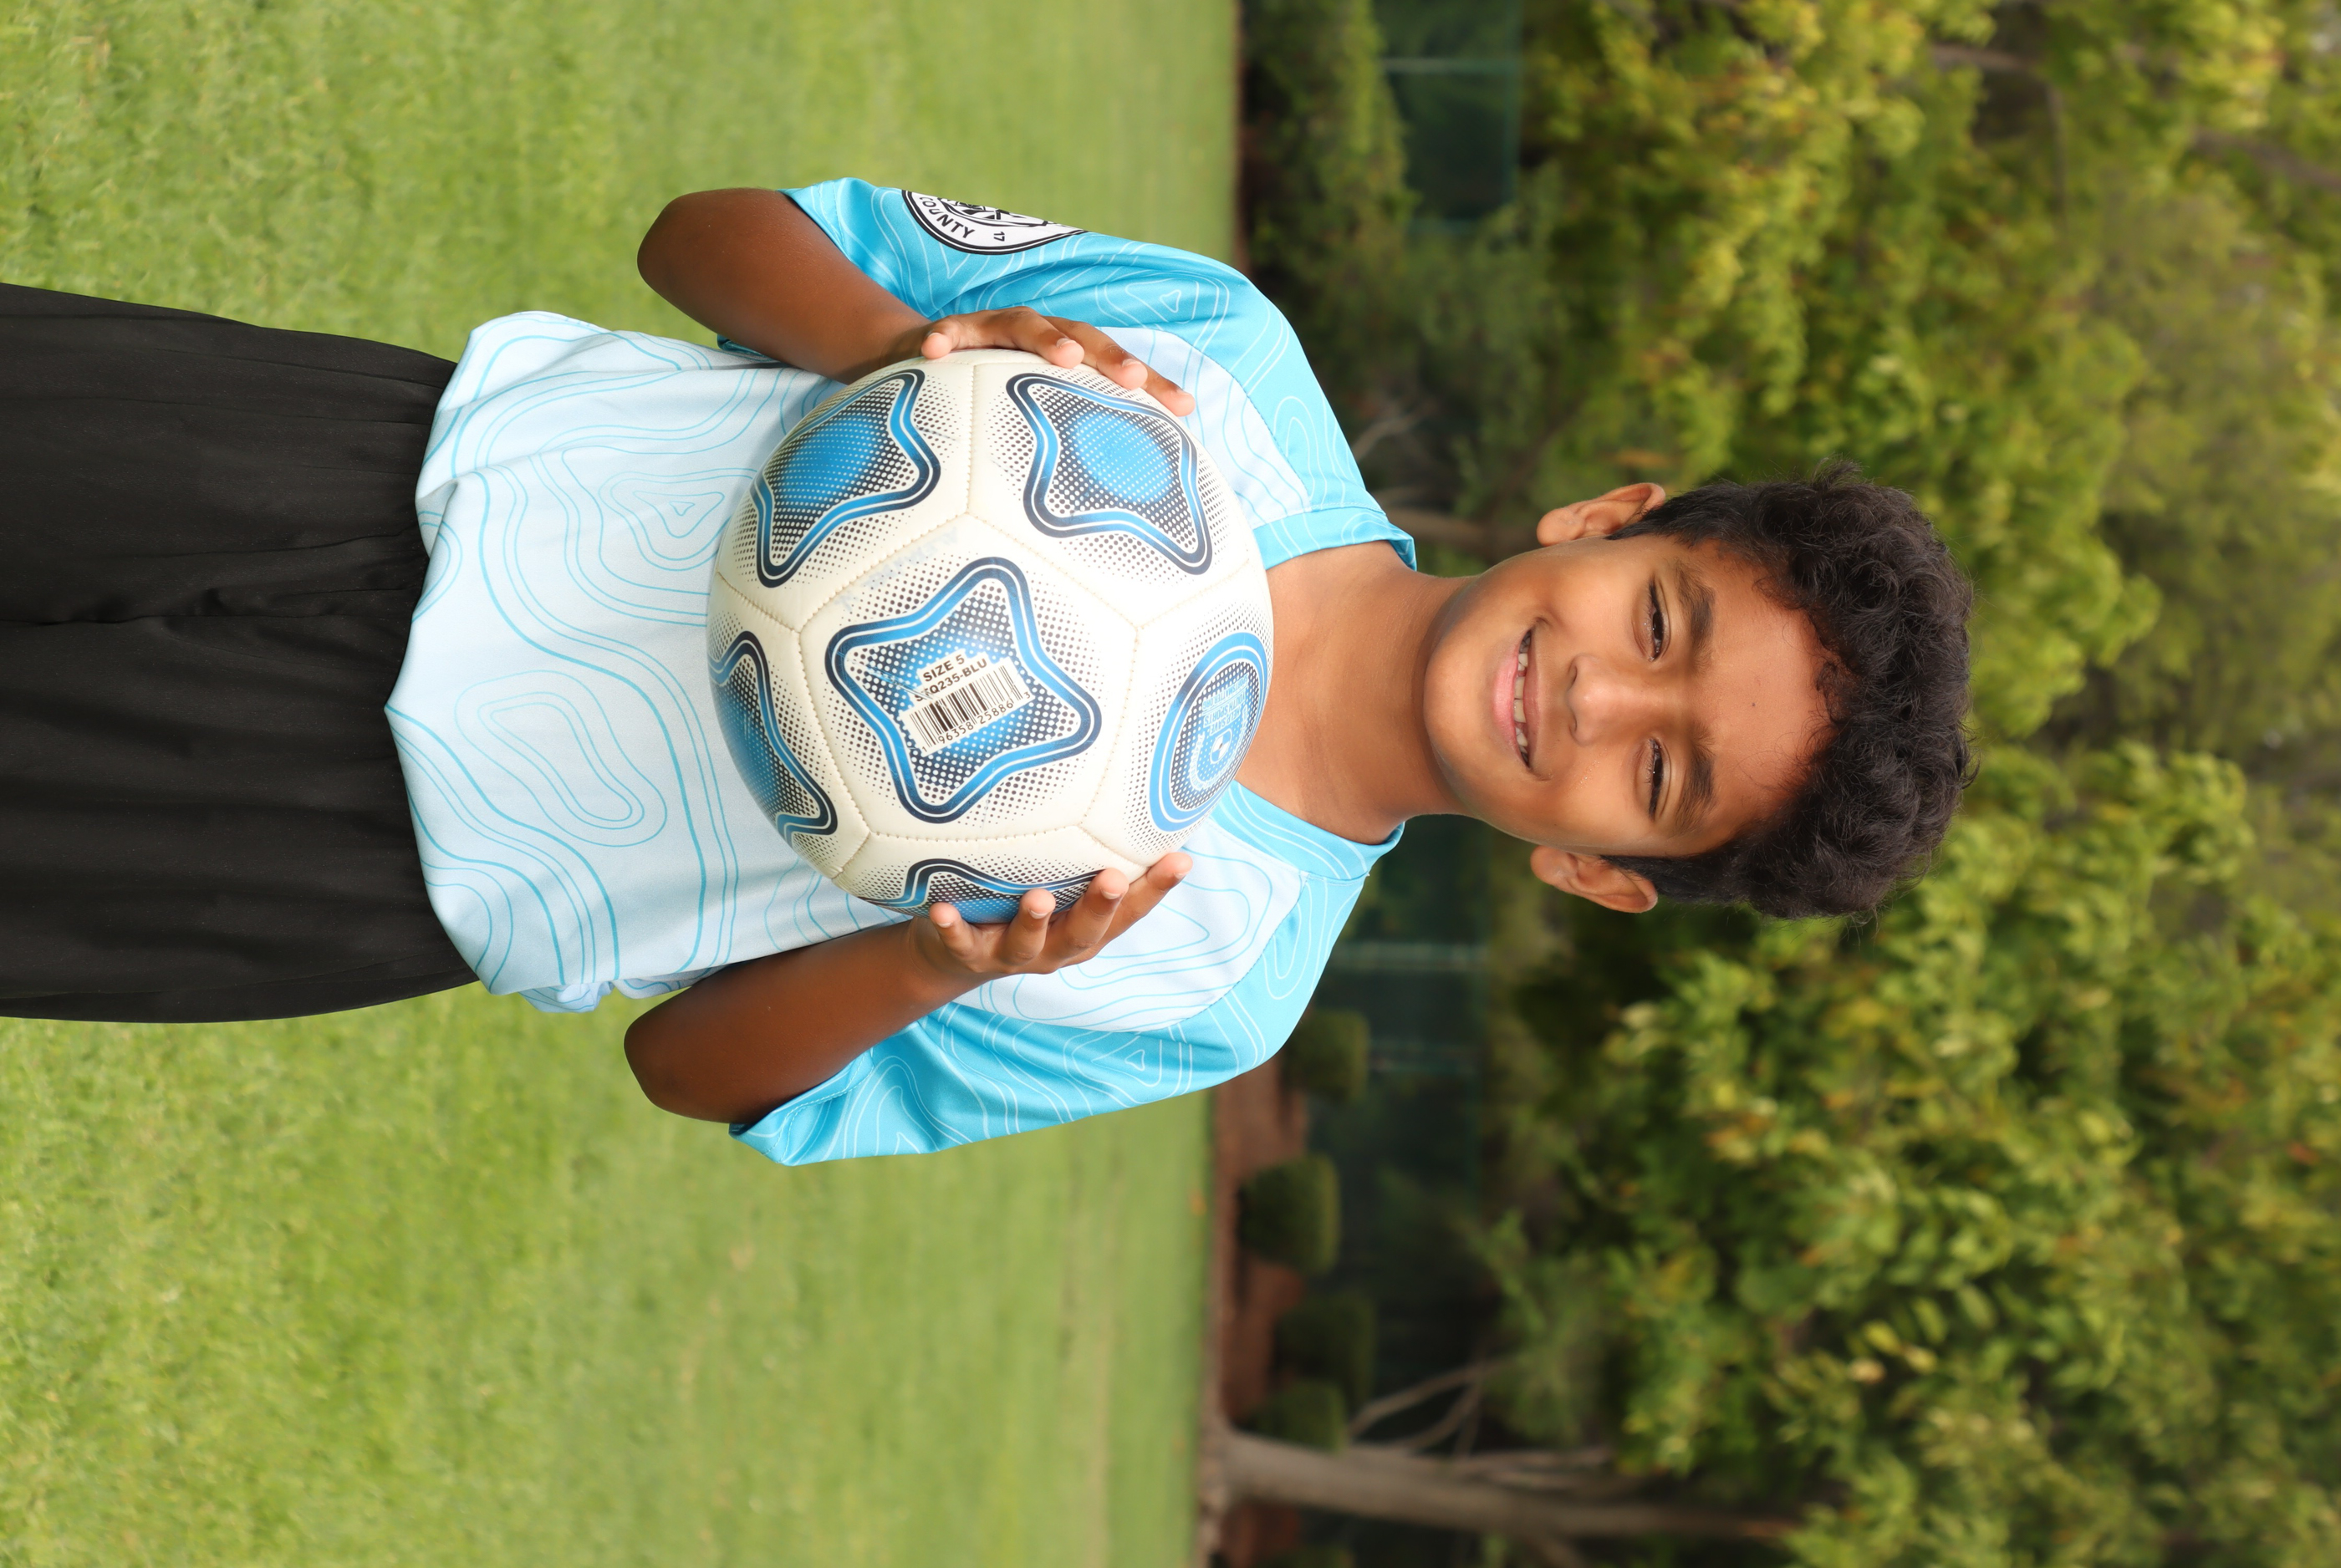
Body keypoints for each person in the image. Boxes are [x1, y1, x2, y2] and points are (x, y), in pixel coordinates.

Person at [0, 181, 1972, 1167]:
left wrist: (941, 959)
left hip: (352, 851)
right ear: (1611, 515)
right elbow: (699, 240)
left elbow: (689, 1073)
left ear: (1600, 873)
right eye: (1659, 623)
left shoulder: (1210, 982)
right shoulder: (1213, 365)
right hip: (366, 470)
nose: (1599, 701)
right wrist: (899, 345)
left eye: (1657, 778)